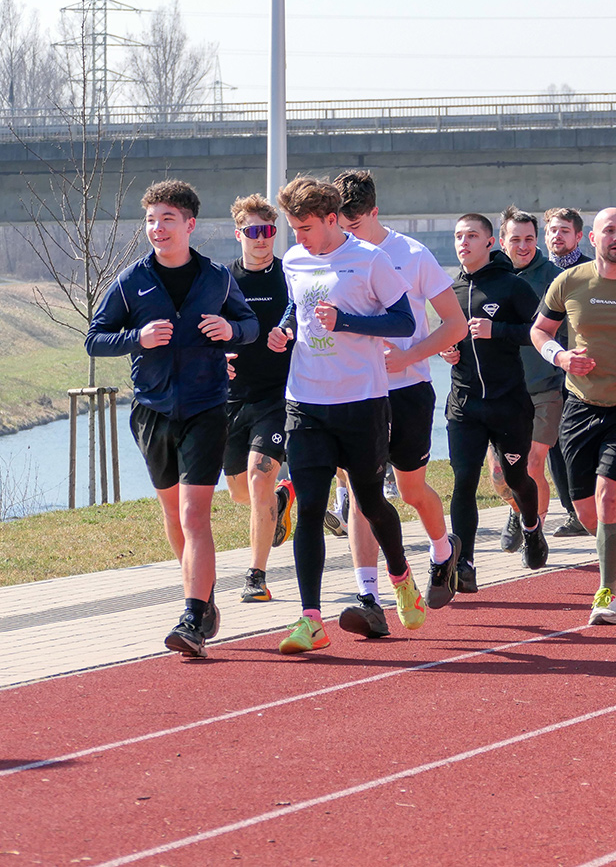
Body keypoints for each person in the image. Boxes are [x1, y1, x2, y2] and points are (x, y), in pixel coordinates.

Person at [86, 180, 259, 658]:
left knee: (193, 514)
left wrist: (231, 328)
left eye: (166, 219)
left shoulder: (217, 278)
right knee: (172, 515)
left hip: (206, 408)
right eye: (150, 220)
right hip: (152, 412)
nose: (157, 228)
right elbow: (94, 338)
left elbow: (249, 326)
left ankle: (190, 616)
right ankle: (203, 600)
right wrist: (136, 338)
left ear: (189, 225)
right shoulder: (130, 281)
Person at [270, 176, 420, 654]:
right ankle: (310, 619)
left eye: (306, 228)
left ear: (332, 220)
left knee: (370, 503)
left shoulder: (370, 260)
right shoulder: (294, 260)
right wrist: (283, 329)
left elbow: (405, 322)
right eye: (294, 228)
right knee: (310, 507)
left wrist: (349, 321)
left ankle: (401, 576)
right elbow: (298, 309)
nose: (298, 238)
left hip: (362, 401)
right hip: (306, 401)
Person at [327, 171, 466, 637]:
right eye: (340, 227)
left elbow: (454, 325)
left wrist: (408, 355)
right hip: (356, 394)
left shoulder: (411, 254)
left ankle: (444, 549)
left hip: (408, 390)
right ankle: (369, 598)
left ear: (374, 214)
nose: (348, 236)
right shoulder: (327, 256)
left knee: (410, 492)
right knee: (364, 496)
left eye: (356, 226)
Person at [532, 208, 616, 624]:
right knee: (586, 510)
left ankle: (606, 595)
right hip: (580, 405)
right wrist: (562, 356)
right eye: (610, 231)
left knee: (609, 498)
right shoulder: (570, 281)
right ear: (593, 238)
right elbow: (540, 331)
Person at [443, 213, 548, 591]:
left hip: (508, 404)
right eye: (458, 236)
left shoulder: (511, 287)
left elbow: (538, 331)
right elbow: (443, 336)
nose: (464, 242)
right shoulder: (449, 290)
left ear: (490, 242)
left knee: (516, 478)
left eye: (472, 235)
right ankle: (465, 563)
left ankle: (532, 526)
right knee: (464, 483)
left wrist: (496, 330)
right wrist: (448, 351)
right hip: (465, 405)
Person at [222, 194, 294, 605]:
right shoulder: (221, 281)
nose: (262, 238)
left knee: (258, 475)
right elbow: (204, 330)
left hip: (277, 396)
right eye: (253, 231)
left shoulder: (289, 277)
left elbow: (306, 321)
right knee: (238, 492)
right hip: (232, 399)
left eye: (268, 231)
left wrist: (291, 336)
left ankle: (256, 576)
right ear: (239, 235)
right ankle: (281, 501)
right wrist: (219, 360)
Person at [497, 208, 565, 551]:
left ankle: (533, 533)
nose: (523, 246)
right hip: (501, 391)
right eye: (515, 239)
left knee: (533, 463)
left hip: (544, 387)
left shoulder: (553, 277)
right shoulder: (490, 275)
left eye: (529, 239)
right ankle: (517, 508)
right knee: (501, 476)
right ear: (501, 241)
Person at [543, 206, 592, 537]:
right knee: (554, 443)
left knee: (586, 440)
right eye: (551, 230)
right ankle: (572, 510)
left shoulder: (590, 271)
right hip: (547, 369)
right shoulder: (538, 271)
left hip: (586, 368)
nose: (556, 236)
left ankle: (612, 503)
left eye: (564, 230)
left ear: (577, 235)